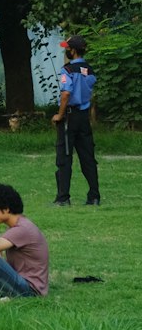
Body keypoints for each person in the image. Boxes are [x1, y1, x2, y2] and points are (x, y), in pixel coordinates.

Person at [53, 33, 100, 207]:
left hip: (69, 117)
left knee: (64, 157)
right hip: (83, 117)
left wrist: (59, 114)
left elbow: (66, 93)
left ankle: (63, 198)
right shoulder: (89, 69)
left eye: (67, 48)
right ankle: (94, 196)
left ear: (73, 50)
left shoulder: (67, 70)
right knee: (88, 157)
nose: (66, 51)